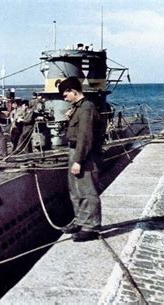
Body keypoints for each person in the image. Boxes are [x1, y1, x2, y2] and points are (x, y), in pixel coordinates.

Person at [58, 76, 102, 242]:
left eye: (65, 95)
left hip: (84, 154)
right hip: (74, 150)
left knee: (87, 190)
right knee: (75, 190)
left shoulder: (86, 108)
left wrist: (78, 160)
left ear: (73, 91)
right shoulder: (78, 108)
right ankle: (81, 221)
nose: (65, 98)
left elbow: (85, 136)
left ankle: (91, 227)